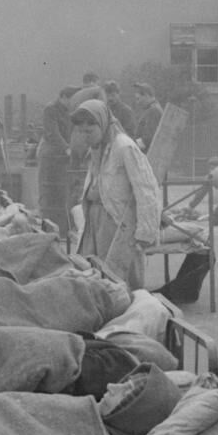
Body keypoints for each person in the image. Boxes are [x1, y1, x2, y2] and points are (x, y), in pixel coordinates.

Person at [70, 98, 161, 290]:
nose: (85, 135)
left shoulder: (124, 146)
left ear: (102, 124)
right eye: (81, 131)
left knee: (118, 278)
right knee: (93, 274)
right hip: (95, 220)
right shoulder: (97, 149)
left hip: (116, 221)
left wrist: (145, 232)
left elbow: (146, 188)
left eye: (90, 130)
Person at [36, 86, 76, 239]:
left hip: (62, 157)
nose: (72, 104)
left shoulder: (70, 111)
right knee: (47, 193)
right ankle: (47, 229)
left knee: (62, 194)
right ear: (63, 97)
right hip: (49, 155)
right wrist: (67, 148)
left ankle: (62, 230)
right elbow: (53, 133)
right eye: (71, 100)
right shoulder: (51, 109)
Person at [132, 83, 163, 154]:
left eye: (138, 99)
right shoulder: (151, 109)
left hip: (146, 156)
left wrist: (133, 149)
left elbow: (147, 139)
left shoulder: (153, 111)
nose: (137, 102)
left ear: (146, 95)